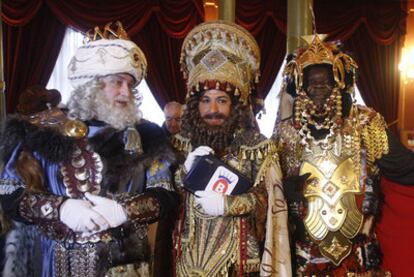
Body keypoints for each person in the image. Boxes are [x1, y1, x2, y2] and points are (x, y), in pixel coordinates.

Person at [0, 21, 177, 276]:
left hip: (127, 265)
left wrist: (126, 210)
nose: (126, 93)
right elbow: (10, 195)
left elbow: (166, 194)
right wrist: (60, 208)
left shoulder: (147, 135)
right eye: (117, 82)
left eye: (130, 85)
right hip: (59, 263)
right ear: (92, 85)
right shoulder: (42, 130)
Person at [273, 34, 414, 276]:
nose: (319, 88)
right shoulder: (287, 131)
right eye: (311, 82)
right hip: (304, 255)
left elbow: (405, 170)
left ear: (340, 82)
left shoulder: (366, 123)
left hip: (358, 254)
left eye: (326, 81)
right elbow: (271, 187)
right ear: (300, 86)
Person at [172, 21, 291, 276]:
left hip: (237, 263)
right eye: (205, 100)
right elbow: (171, 199)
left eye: (221, 100)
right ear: (195, 105)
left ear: (235, 106)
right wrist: (184, 171)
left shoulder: (258, 148)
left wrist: (229, 205)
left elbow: (270, 203)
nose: (212, 110)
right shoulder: (181, 145)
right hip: (187, 260)